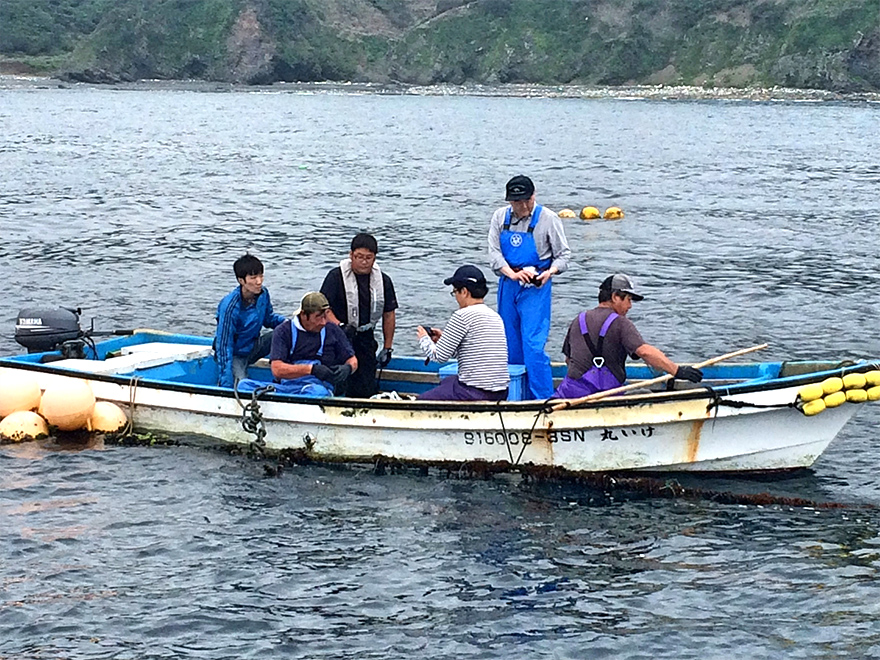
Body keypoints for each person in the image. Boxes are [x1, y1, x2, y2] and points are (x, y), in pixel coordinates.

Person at [488, 175, 571, 400]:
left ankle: (543, 398)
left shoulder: (549, 219)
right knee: (509, 343)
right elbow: (494, 255)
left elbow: (563, 256)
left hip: (536, 288)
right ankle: (514, 396)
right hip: (508, 283)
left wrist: (549, 273)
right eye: (515, 202)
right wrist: (512, 274)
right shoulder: (499, 217)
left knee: (533, 346)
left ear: (533, 196)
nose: (521, 206)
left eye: (525, 201)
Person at [554, 274, 703, 399]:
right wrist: (677, 370)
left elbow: (569, 360)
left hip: (571, 395)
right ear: (615, 297)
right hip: (607, 395)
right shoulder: (620, 323)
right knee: (645, 394)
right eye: (628, 300)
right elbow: (644, 352)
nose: (630, 306)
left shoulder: (577, 321)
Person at [320, 233, 398, 398]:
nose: (364, 261)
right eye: (359, 257)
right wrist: (339, 325)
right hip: (338, 335)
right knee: (340, 380)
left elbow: (389, 314)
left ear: (375, 258)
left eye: (368, 258)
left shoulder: (384, 281)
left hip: (365, 336)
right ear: (351, 255)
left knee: (365, 384)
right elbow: (323, 308)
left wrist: (387, 347)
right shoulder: (335, 277)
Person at [416, 265, 509, 401]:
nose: (455, 297)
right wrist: (443, 339)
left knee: (421, 401)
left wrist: (424, 338)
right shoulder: (495, 316)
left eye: (455, 292)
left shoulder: (462, 316)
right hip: (501, 392)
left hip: (474, 392)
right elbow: (473, 351)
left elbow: (439, 357)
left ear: (464, 291)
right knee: (448, 381)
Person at [244, 291, 358, 398]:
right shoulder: (283, 331)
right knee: (244, 386)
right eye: (318, 317)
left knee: (316, 392)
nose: (323, 322)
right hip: (286, 388)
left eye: (325, 316)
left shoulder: (332, 330)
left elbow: (352, 360)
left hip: (318, 388)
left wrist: (348, 368)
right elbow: (277, 370)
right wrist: (311, 370)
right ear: (304, 315)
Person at [214, 253, 286, 388]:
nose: (259, 281)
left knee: (283, 332)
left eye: (261, 276)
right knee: (243, 384)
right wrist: (226, 384)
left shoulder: (263, 294)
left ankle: (289, 373)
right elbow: (224, 345)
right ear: (241, 280)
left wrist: (289, 323)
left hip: (252, 347)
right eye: (253, 278)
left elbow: (268, 318)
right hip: (236, 353)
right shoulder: (230, 306)